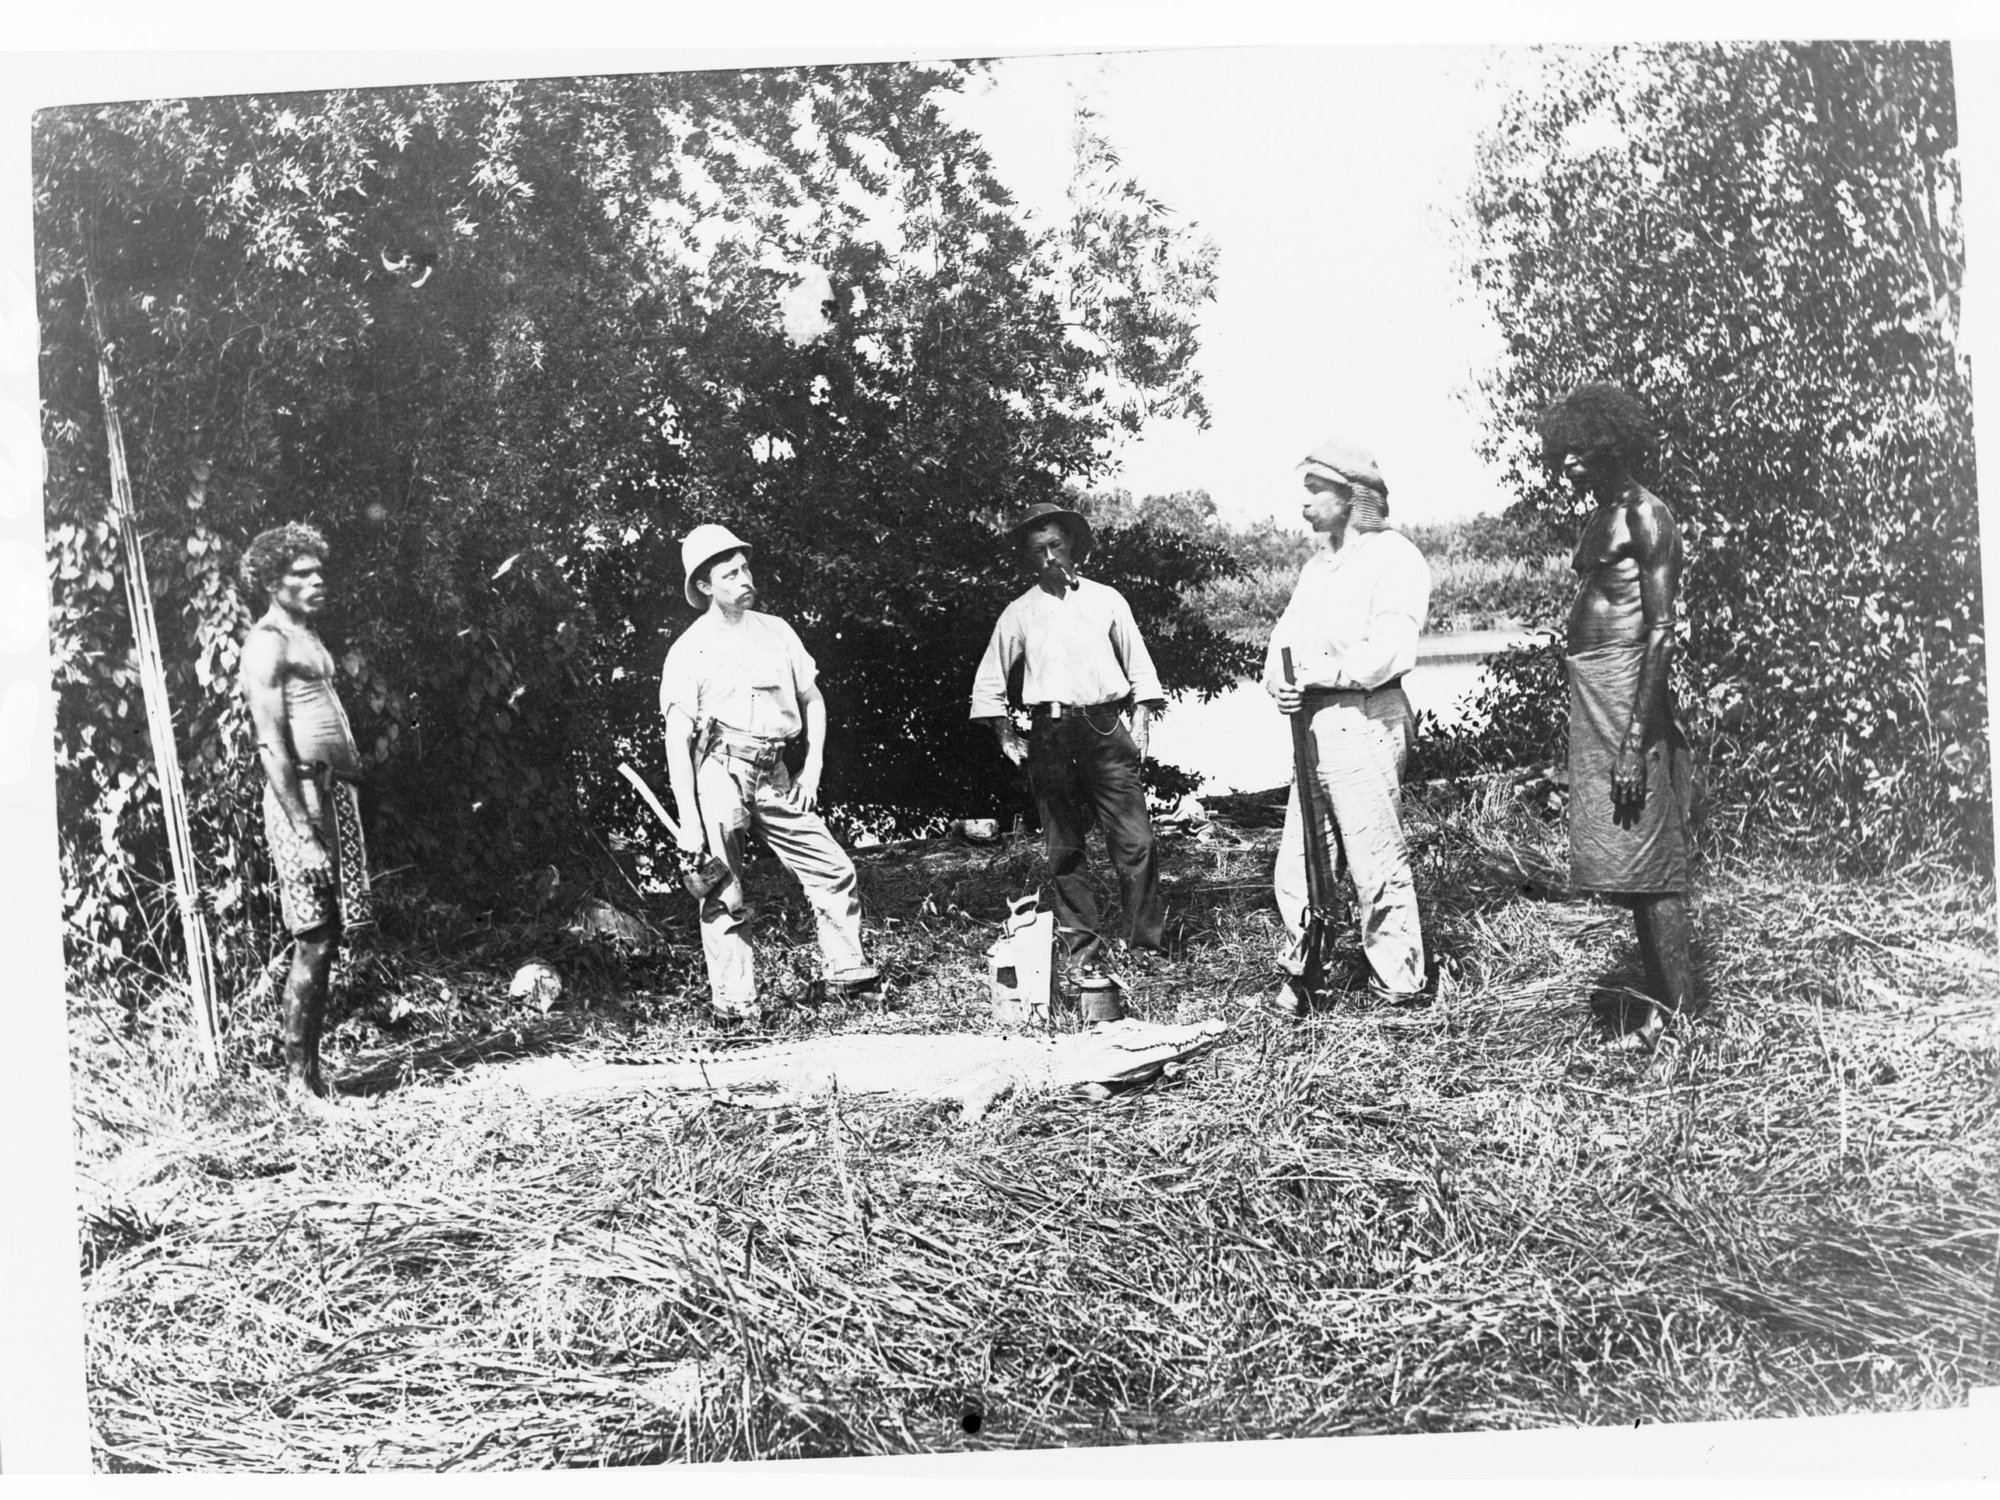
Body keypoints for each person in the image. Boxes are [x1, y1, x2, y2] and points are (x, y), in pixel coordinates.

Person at [659, 524, 879, 1024]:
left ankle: (847, 973)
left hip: (775, 773)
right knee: (723, 888)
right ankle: (736, 1006)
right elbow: (677, 739)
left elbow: (813, 699)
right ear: (705, 586)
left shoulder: (777, 631)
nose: (744, 579)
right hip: (720, 771)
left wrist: (812, 767)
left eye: (745, 569)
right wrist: (690, 821)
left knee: (833, 868)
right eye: (729, 574)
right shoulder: (689, 648)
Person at [1538, 383, 1695, 1050]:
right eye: (1562, 451)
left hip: (1631, 689)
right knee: (1629, 862)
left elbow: (1660, 631)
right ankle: (1660, 1014)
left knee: (1652, 862)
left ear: (1611, 443)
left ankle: (1684, 1023)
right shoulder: (1601, 515)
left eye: (1580, 449)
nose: (1567, 461)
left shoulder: (1647, 515)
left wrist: (1634, 742)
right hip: (1597, 686)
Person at [969, 501, 1167, 1022]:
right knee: (1065, 848)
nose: (1050, 557)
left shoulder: (1106, 600)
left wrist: (1141, 721)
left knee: (1137, 841)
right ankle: (1084, 950)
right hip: (1051, 734)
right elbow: (990, 680)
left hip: (1105, 728)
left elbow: (1140, 667)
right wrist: (1005, 733)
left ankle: (1145, 947)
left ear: (1073, 546)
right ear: (1028, 559)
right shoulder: (1020, 612)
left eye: (1056, 545)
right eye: (1039, 550)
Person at [1260, 439, 1431, 1016]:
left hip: (1366, 716)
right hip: (1312, 721)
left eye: (1316, 491)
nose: (1304, 504)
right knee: (1301, 858)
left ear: (1353, 496)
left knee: (1374, 857)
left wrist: (1315, 674)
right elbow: (1283, 642)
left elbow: (1390, 650)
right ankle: (1305, 971)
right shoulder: (1317, 569)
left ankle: (1398, 984)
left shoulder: (1395, 558)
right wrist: (1280, 682)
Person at [237, 522, 371, 1100]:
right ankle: (298, 1084)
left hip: (333, 794)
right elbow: (270, 744)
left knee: (330, 933)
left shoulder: (306, 635)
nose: (318, 581)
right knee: (314, 934)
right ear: (273, 581)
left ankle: (312, 1075)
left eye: (320, 571)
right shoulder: (267, 642)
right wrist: (304, 830)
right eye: (302, 574)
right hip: (304, 802)